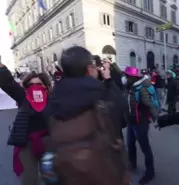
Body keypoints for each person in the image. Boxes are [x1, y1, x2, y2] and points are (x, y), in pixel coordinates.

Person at [49, 46, 130, 185]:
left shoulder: (54, 97)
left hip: (69, 174)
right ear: (88, 69)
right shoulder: (101, 94)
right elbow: (122, 119)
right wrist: (108, 80)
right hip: (101, 173)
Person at [0, 62, 52, 185]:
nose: (35, 87)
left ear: (45, 86)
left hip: (49, 143)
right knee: (29, 179)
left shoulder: (52, 99)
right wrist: (1, 68)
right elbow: (8, 84)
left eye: (39, 84)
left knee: (51, 178)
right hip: (26, 143)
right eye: (31, 84)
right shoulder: (23, 97)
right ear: (26, 86)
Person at [123, 66, 157, 184]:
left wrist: (156, 119)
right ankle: (132, 164)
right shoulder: (129, 87)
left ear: (131, 78)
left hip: (140, 123)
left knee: (145, 147)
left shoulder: (141, 89)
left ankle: (150, 172)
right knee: (130, 144)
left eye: (126, 76)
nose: (124, 78)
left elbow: (150, 105)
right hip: (131, 121)